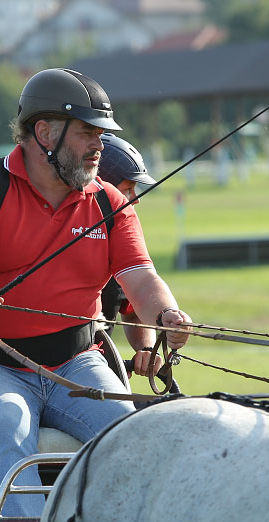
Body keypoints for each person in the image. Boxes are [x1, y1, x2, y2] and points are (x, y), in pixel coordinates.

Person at [0, 68, 191, 522]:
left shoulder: (108, 202)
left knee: (132, 436)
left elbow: (142, 278)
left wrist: (166, 314)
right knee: (7, 428)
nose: (99, 147)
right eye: (87, 132)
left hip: (77, 363)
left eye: (101, 134)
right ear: (44, 132)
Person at [96, 132, 163, 378]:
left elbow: (133, 310)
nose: (134, 200)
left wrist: (145, 348)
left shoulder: (121, 244)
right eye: (127, 189)